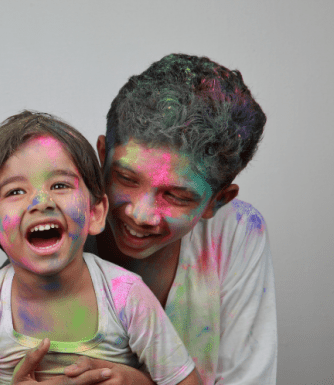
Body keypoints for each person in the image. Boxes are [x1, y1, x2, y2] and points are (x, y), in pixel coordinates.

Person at [0, 111, 202, 385]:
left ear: (96, 212)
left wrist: (137, 382)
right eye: (15, 191)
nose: (41, 202)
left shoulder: (125, 295)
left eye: (60, 185)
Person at [65, 53, 276, 384]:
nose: (141, 213)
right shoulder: (60, 215)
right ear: (102, 155)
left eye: (177, 196)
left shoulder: (236, 232)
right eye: (126, 178)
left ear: (217, 201)